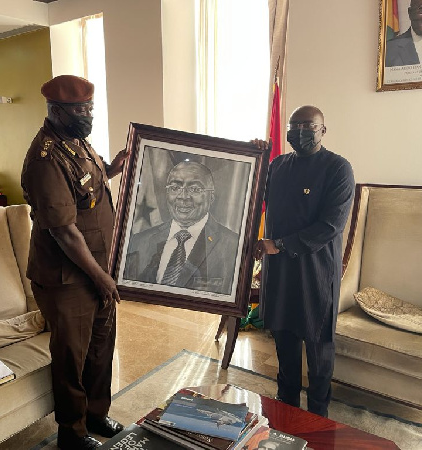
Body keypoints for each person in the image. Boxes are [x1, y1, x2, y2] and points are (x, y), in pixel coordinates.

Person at [21, 75, 128, 450]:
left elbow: (87, 191)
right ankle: (73, 431)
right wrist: (101, 278)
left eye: (90, 108)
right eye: (80, 109)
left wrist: (111, 169)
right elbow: (65, 232)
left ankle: (97, 413)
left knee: (101, 345)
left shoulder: (76, 141)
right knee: (72, 356)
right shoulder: (44, 158)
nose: (88, 115)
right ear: (56, 111)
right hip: (67, 277)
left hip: (96, 269)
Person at [254, 105, 355, 417]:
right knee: (284, 345)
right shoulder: (278, 165)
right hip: (280, 273)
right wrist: (256, 161)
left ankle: (318, 416)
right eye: (293, 126)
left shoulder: (338, 168)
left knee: (318, 349)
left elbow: (330, 226)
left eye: (307, 126)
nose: (299, 132)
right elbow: (254, 197)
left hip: (316, 275)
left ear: (323, 130)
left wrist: (280, 245)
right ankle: (287, 413)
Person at [124, 160, 239, 295]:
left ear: (211, 197)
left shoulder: (234, 247)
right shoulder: (138, 242)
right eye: (175, 188)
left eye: (195, 189)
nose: (183, 197)